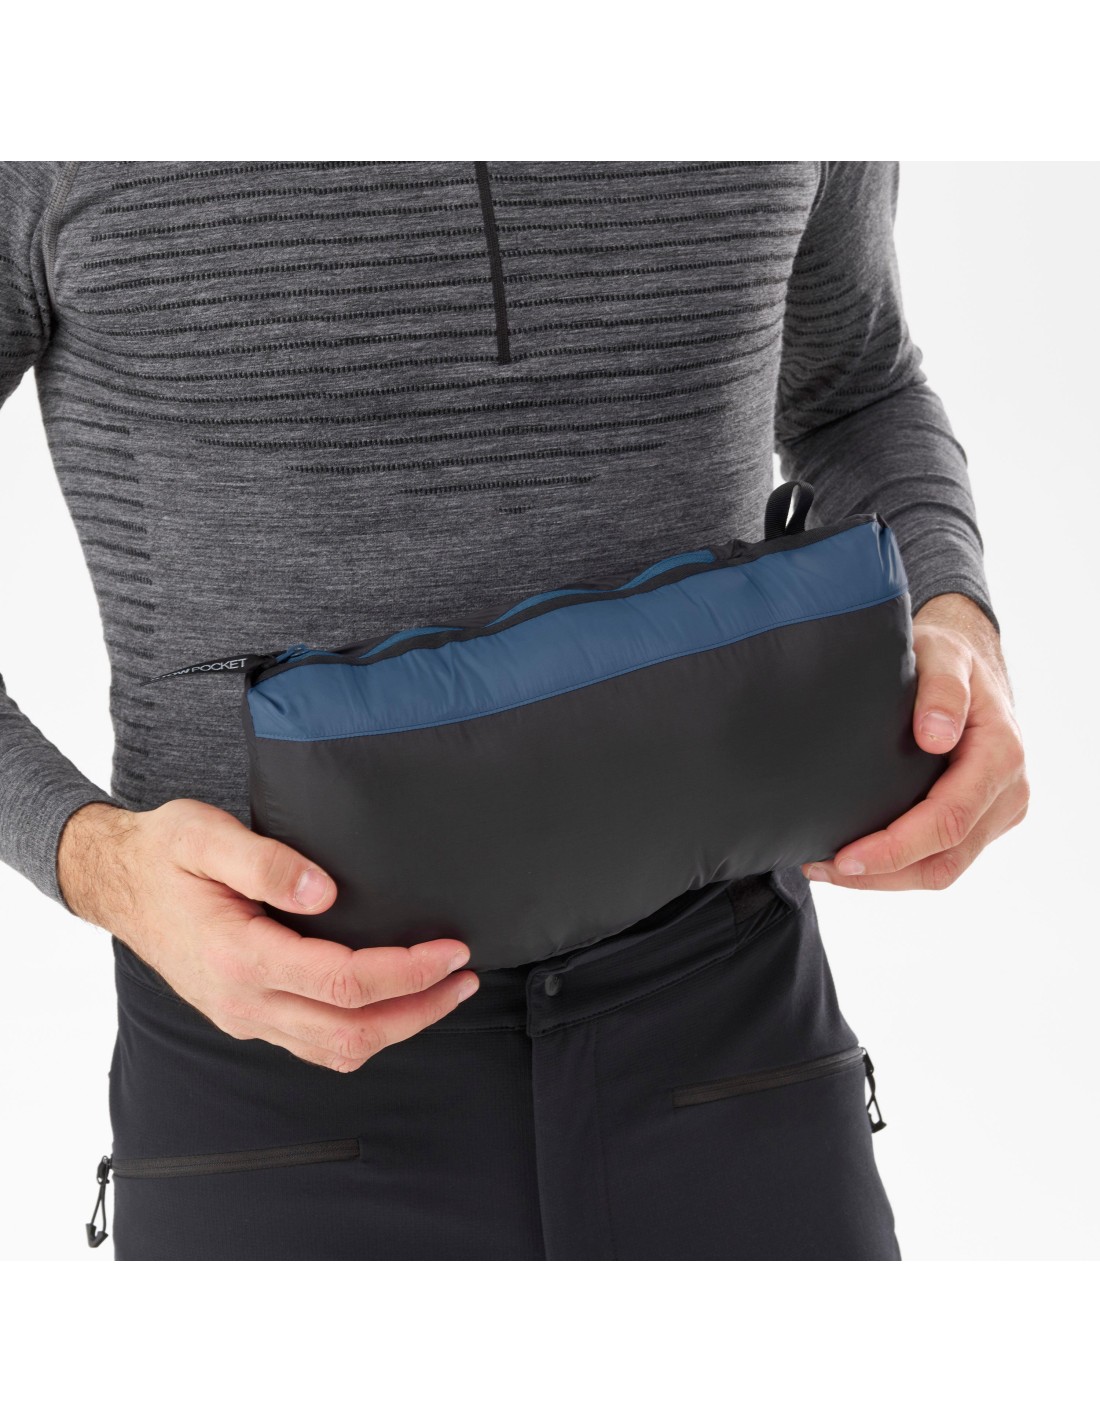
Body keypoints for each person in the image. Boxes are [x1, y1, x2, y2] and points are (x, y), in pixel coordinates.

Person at [0, 161, 1027, 1260]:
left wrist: (957, 618)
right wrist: (91, 856)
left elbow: (857, 390)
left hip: (732, 1000)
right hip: (272, 1058)